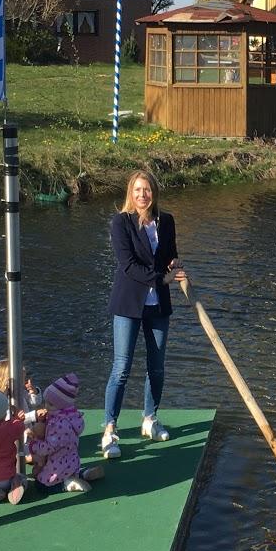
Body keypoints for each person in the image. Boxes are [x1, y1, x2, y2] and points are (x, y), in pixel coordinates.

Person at [102, 169, 185, 460]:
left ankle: (150, 418)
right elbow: (127, 265)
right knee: (122, 367)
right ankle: (110, 428)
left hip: (158, 306)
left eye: (146, 189)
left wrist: (174, 265)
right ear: (130, 193)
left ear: (154, 192)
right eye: (137, 190)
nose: (142, 195)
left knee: (157, 366)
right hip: (128, 305)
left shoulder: (167, 221)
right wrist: (161, 279)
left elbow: (171, 253)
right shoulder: (120, 223)